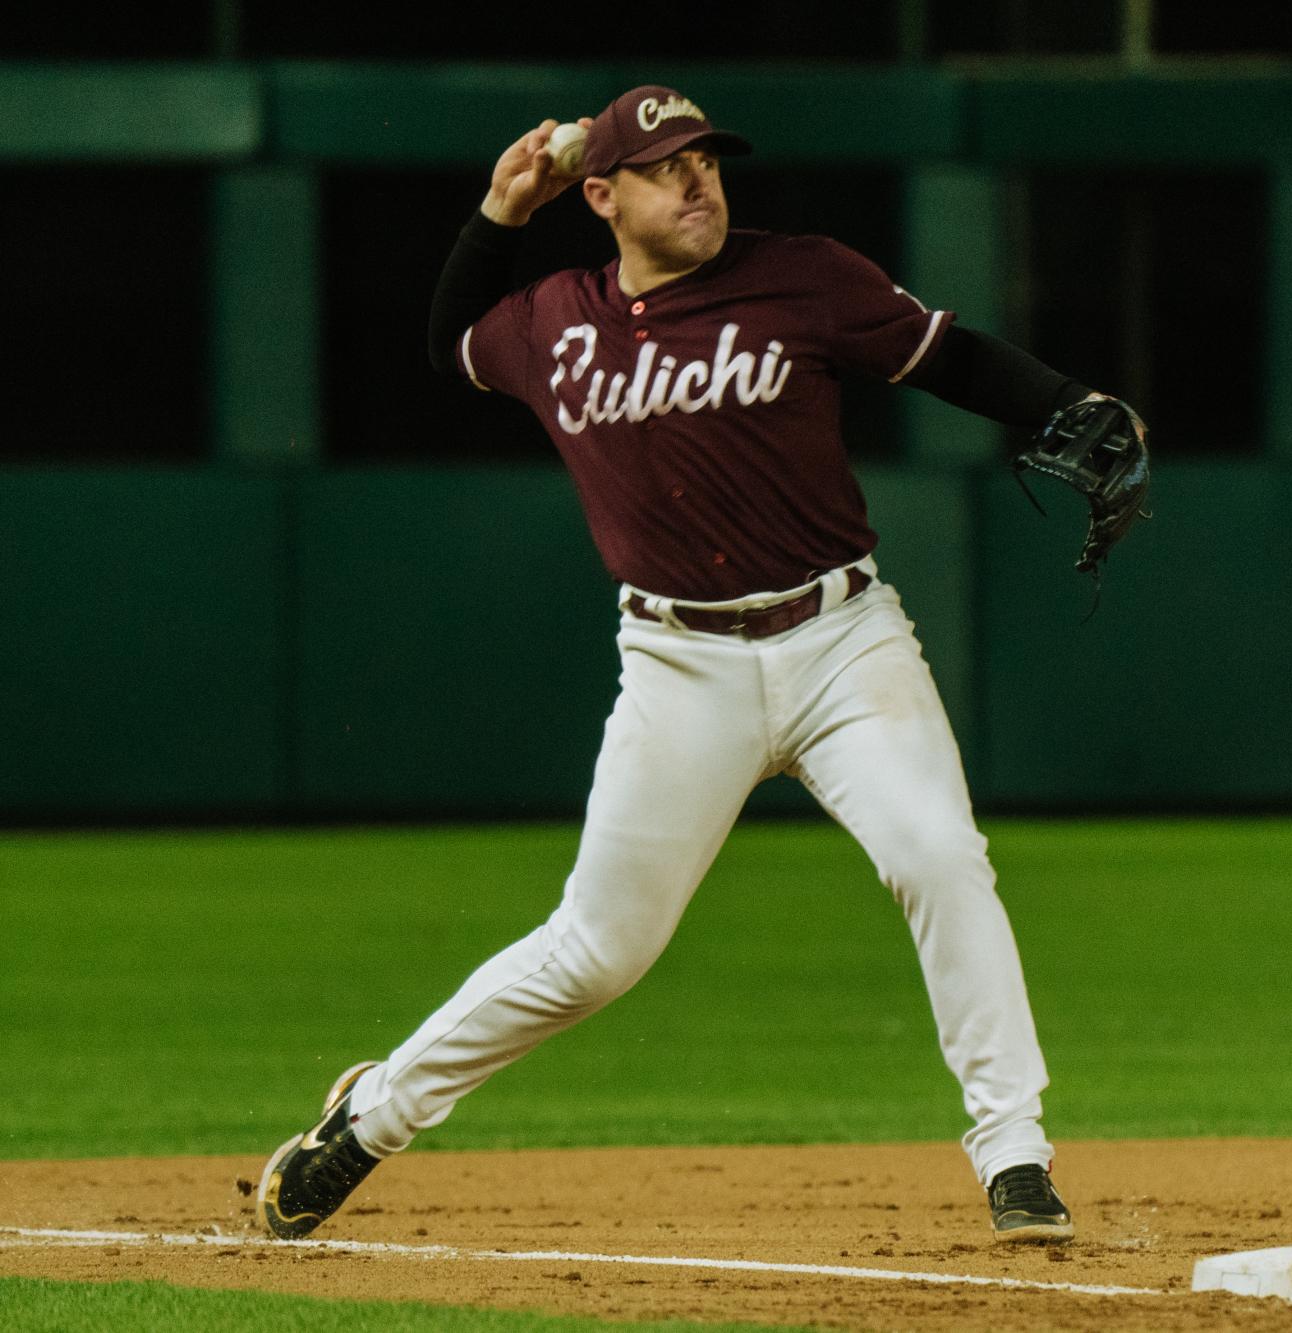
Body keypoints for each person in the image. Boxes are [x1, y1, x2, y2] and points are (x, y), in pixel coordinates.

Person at [259, 85, 1144, 1245]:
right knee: (595, 954)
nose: (698, 181)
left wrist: (1069, 401)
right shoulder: (552, 320)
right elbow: (448, 343)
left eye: (707, 161)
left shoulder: (806, 276)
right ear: (603, 193)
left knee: (938, 855)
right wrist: (495, 213)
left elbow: (949, 357)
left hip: (841, 645)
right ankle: (368, 1119)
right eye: (667, 165)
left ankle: (1013, 1152)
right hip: (680, 669)